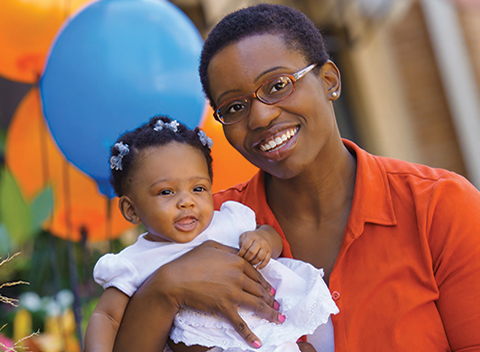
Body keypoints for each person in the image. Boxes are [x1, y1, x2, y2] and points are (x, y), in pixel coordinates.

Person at [112, 4, 480, 352]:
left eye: (277, 85)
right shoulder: (204, 224)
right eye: (235, 107)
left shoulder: (438, 206)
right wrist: (165, 288)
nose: (260, 117)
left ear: (330, 81)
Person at [84, 115, 339, 352]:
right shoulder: (134, 261)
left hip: (265, 329)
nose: (187, 202)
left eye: (198, 188)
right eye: (166, 192)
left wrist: (263, 241)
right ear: (131, 210)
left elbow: (272, 239)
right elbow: (106, 316)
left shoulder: (228, 221)